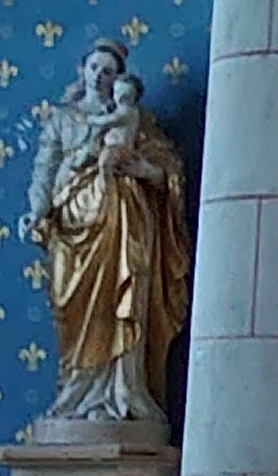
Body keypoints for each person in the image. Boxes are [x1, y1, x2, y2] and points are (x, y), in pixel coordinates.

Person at [21, 40, 192, 434]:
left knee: (123, 297)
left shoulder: (135, 120)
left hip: (124, 224)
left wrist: (145, 170)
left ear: (118, 80)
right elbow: (44, 170)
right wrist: (36, 210)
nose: (100, 76)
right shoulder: (63, 120)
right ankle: (76, 396)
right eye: (95, 67)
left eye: (108, 71)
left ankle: (122, 394)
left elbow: (167, 169)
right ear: (82, 69)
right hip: (73, 225)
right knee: (76, 309)